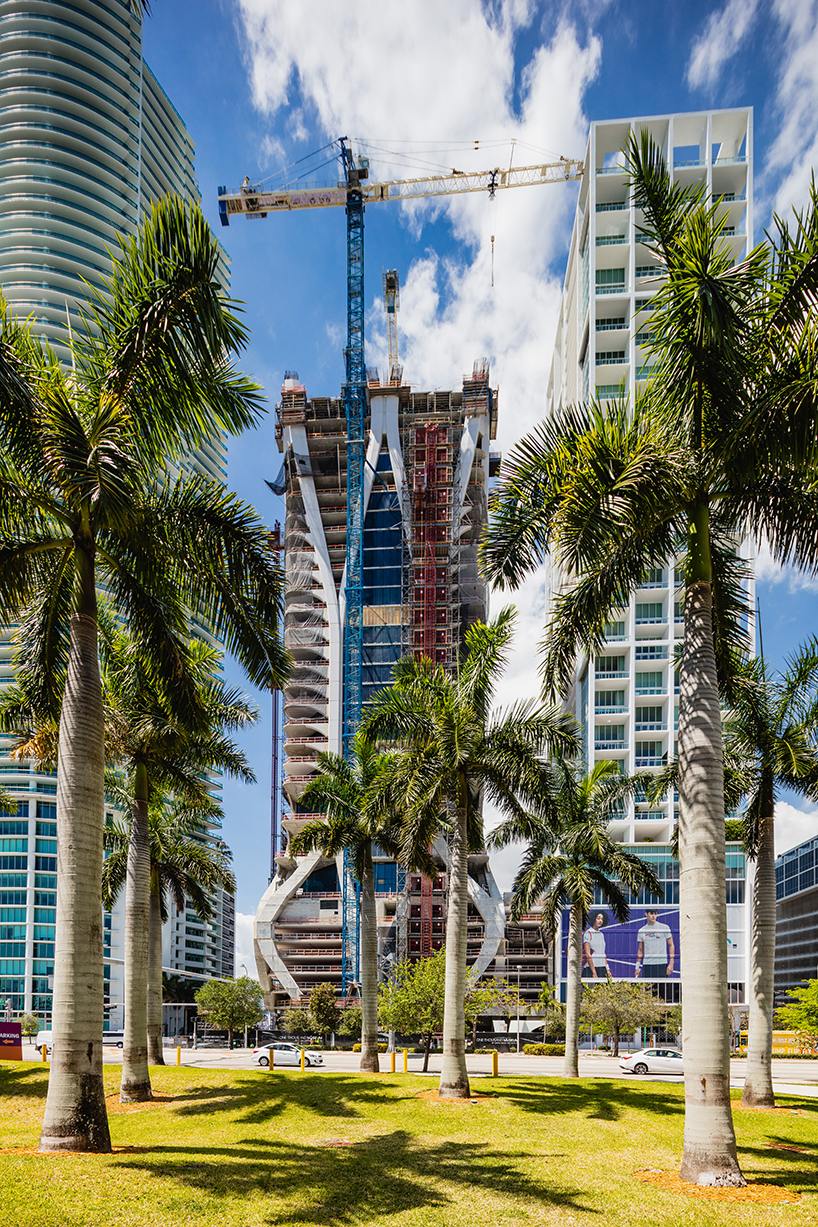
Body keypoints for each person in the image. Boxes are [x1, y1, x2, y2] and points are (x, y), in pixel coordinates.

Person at [635, 909, 675, 978]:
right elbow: (640, 950)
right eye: (651, 913)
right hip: (647, 964)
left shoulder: (664, 927)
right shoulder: (642, 930)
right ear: (646, 914)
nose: (653, 916)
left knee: (662, 988)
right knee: (648, 988)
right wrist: (637, 967)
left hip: (661, 964)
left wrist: (671, 963)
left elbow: (671, 945)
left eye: (655, 914)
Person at [582, 911, 610, 978]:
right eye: (598, 918)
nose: (600, 921)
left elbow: (603, 953)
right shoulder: (588, 933)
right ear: (594, 919)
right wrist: (594, 972)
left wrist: (607, 969)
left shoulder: (601, 934)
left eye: (602, 919)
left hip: (602, 968)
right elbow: (588, 954)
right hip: (591, 969)